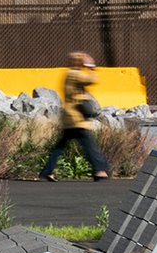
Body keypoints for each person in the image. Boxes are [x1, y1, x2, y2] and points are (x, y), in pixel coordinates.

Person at [39, 52, 109, 181]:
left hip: (69, 118)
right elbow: (92, 80)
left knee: (60, 147)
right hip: (77, 118)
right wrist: (91, 66)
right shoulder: (75, 74)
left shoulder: (68, 74)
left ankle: (47, 171)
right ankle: (99, 169)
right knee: (89, 145)